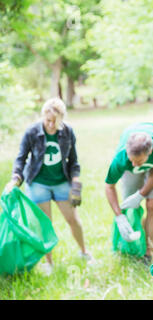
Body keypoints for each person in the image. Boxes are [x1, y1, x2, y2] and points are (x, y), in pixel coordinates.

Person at [6, 97, 91, 275]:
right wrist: (15, 179)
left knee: (73, 219)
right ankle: (49, 263)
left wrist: (75, 181)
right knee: (45, 224)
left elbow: (73, 160)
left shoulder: (68, 132)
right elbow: (21, 158)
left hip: (61, 182)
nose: (51, 125)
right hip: (38, 183)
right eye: (48, 120)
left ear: (62, 119)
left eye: (55, 121)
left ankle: (84, 252)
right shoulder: (32, 132)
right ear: (43, 116)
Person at [105, 122, 153, 264]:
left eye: (139, 161)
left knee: (152, 204)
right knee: (130, 206)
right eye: (132, 160)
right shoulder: (121, 158)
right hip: (132, 163)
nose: (135, 165)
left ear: (150, 152)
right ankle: (135, 242)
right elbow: (109, 186)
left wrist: (141, 194)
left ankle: (148, 252)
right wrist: (119, 216)